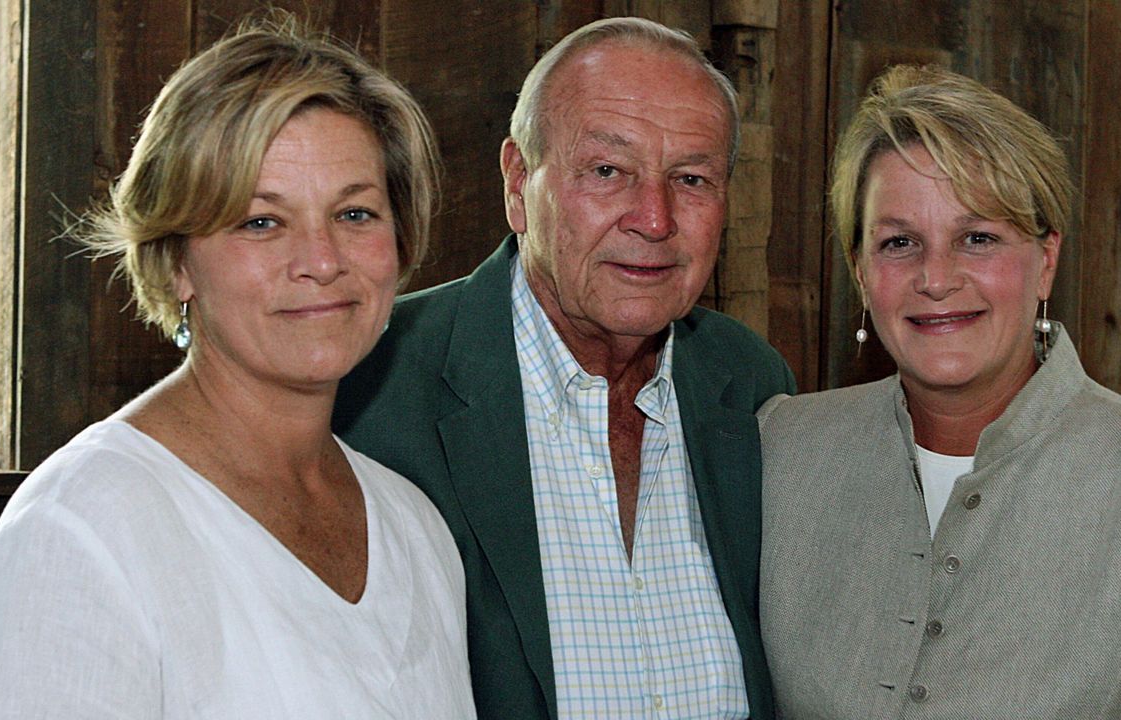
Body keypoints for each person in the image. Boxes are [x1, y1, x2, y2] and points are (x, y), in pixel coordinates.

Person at [0, 17, 475, 719]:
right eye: (260, 221)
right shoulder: (81, 529)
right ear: (175, 259)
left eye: (355, 213)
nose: (322, 260)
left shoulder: (414, 527)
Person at [335, 16, 795, 720]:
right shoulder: (371, 383)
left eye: (692, 178)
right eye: (608, 171)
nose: (654, 218)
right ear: (519, 183)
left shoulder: (750, 384)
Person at [758, 64, 1121, 719]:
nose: (936, 277)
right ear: (859, 271)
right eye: (899, 241)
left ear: (1045, 259)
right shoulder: (782, 449)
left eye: (978, 237)